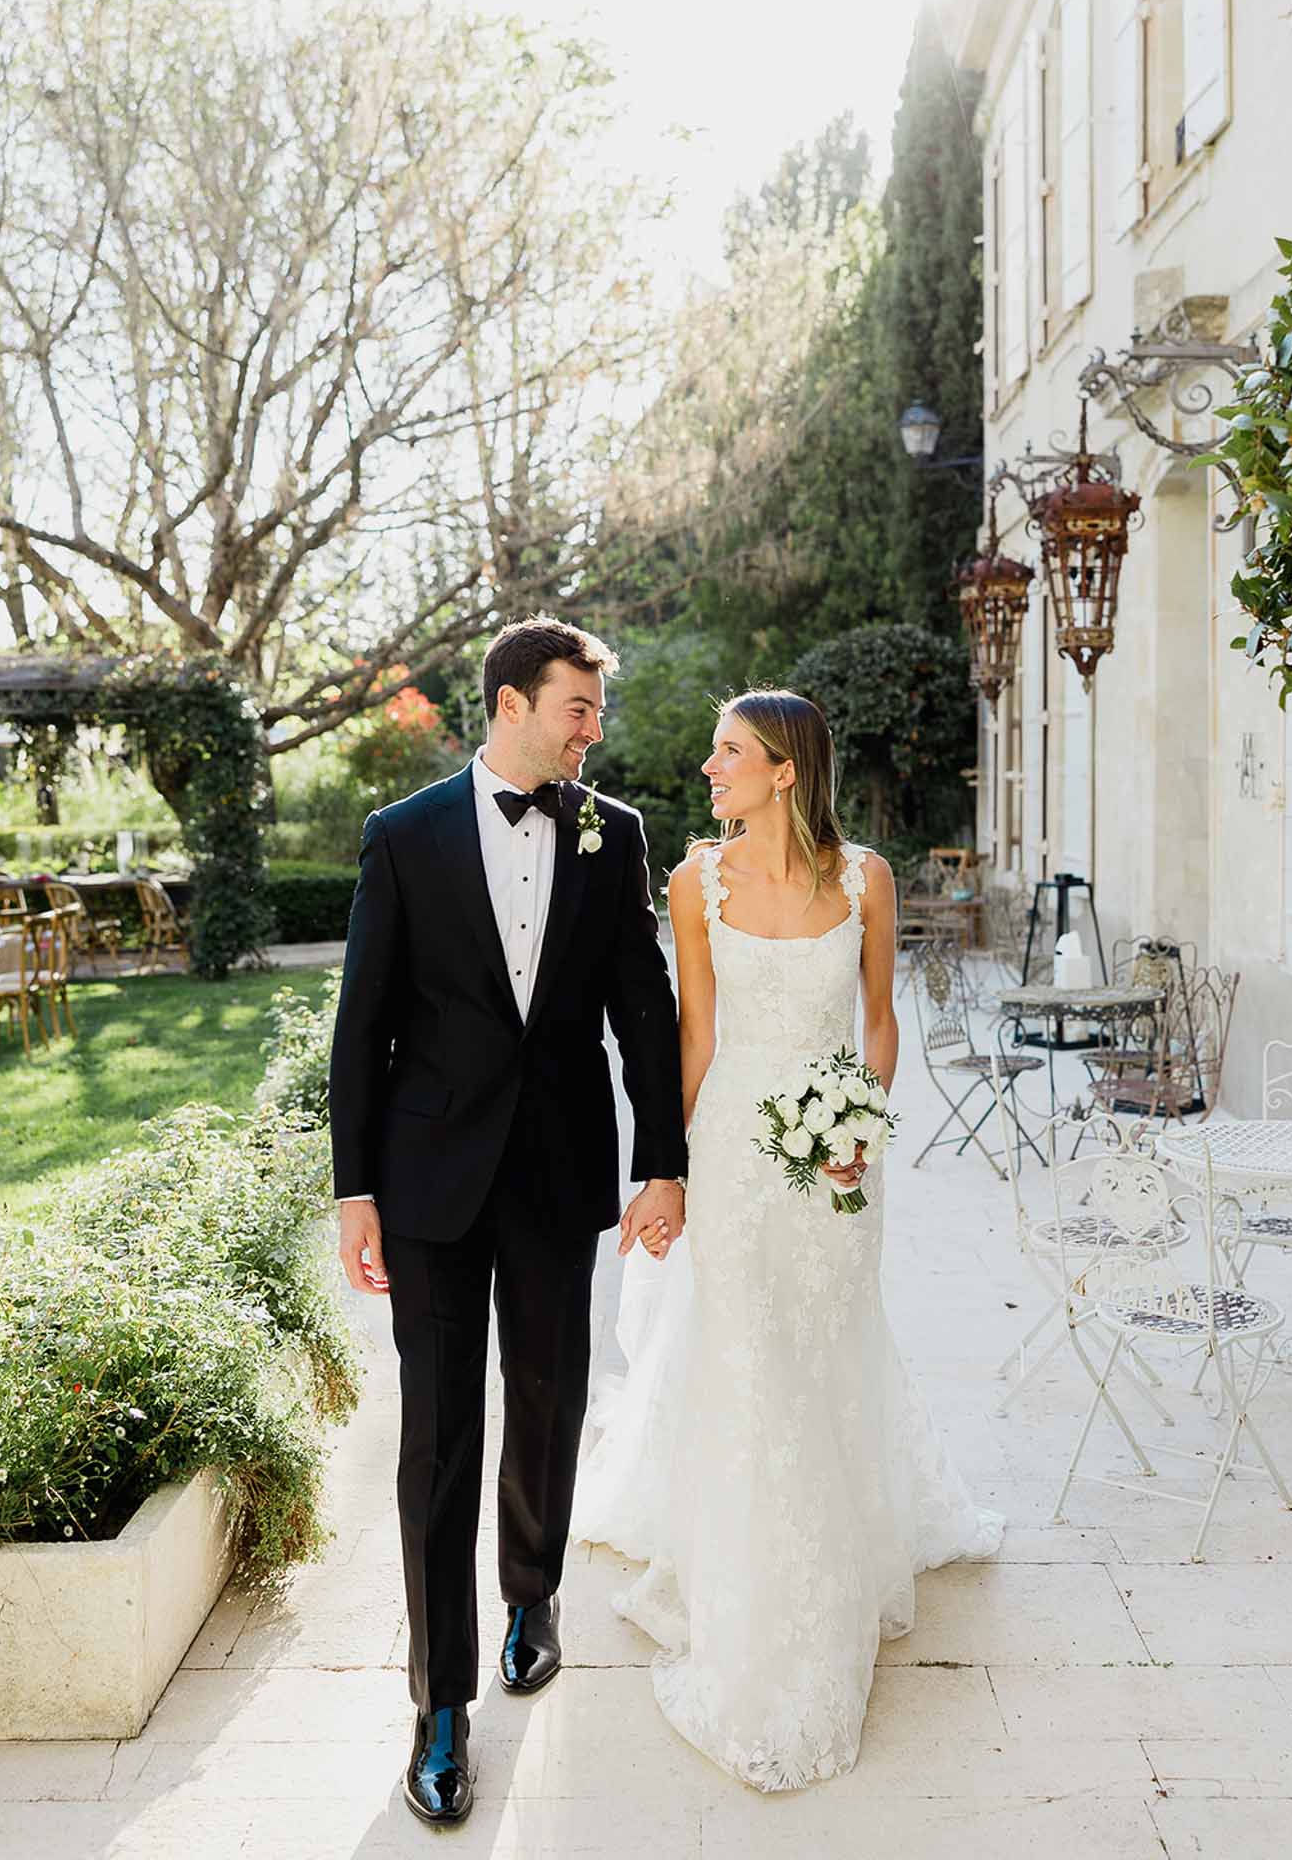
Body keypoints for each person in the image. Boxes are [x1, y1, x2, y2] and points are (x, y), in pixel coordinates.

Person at [571, 688, 1003, 1791]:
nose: (707, 769)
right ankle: (755, 1581)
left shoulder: (864, 875)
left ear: (784, 770)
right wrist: (664, 1170)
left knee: (824, 1338)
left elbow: (876, 1016)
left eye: (727, 753)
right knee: (749, 1351)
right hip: (731, 1147)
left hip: (833, 1154)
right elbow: (695, 1031)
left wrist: (863, 1123)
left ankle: (842, 1540)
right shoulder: (691, 881)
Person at [329, 617, 687, 1829]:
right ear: (509, 704)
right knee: (437, 1434)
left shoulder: (613, 832)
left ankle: (531, 1590)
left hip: (558, 1168)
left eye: (596, 708)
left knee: (548, 1399)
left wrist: (664, 1162)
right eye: (577, 706)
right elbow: (362, 1028)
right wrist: (353, 1189)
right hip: (427, 1178)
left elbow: (644, 1008)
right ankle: (439, 1706)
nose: (594, 727)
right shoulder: (404, 836)